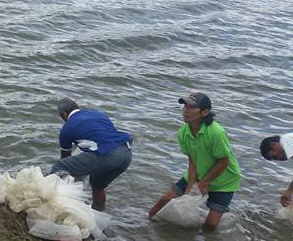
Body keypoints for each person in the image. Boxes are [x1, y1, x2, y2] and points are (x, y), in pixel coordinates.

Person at [148, 92, 242, 231]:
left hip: (225, 181)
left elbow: (224, 161)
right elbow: (192, 161)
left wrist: (204, 182)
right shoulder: (183, 132)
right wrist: (190, 187)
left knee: (210, 225)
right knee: (165, 199)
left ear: (205, 112)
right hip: (199, 172)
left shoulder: (216, 132)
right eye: (185, 105)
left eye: (191, 107)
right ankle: (147, 224)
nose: (185, 110)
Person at [50, 97, 133, 211]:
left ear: (64, 114)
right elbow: (105, 136)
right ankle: (98, 214)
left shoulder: (66, 129)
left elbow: (65, 158)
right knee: (97, 185)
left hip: (108, 155)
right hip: (126, 152)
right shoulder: (98, 114)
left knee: (59, 166)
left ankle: (62, 204)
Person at [259, 133, 293, 207]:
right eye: (276, 159)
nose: (279, 159)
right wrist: (289, 191)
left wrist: (289, 191)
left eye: (274, 156)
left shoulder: (287, 141)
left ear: (273, 144)